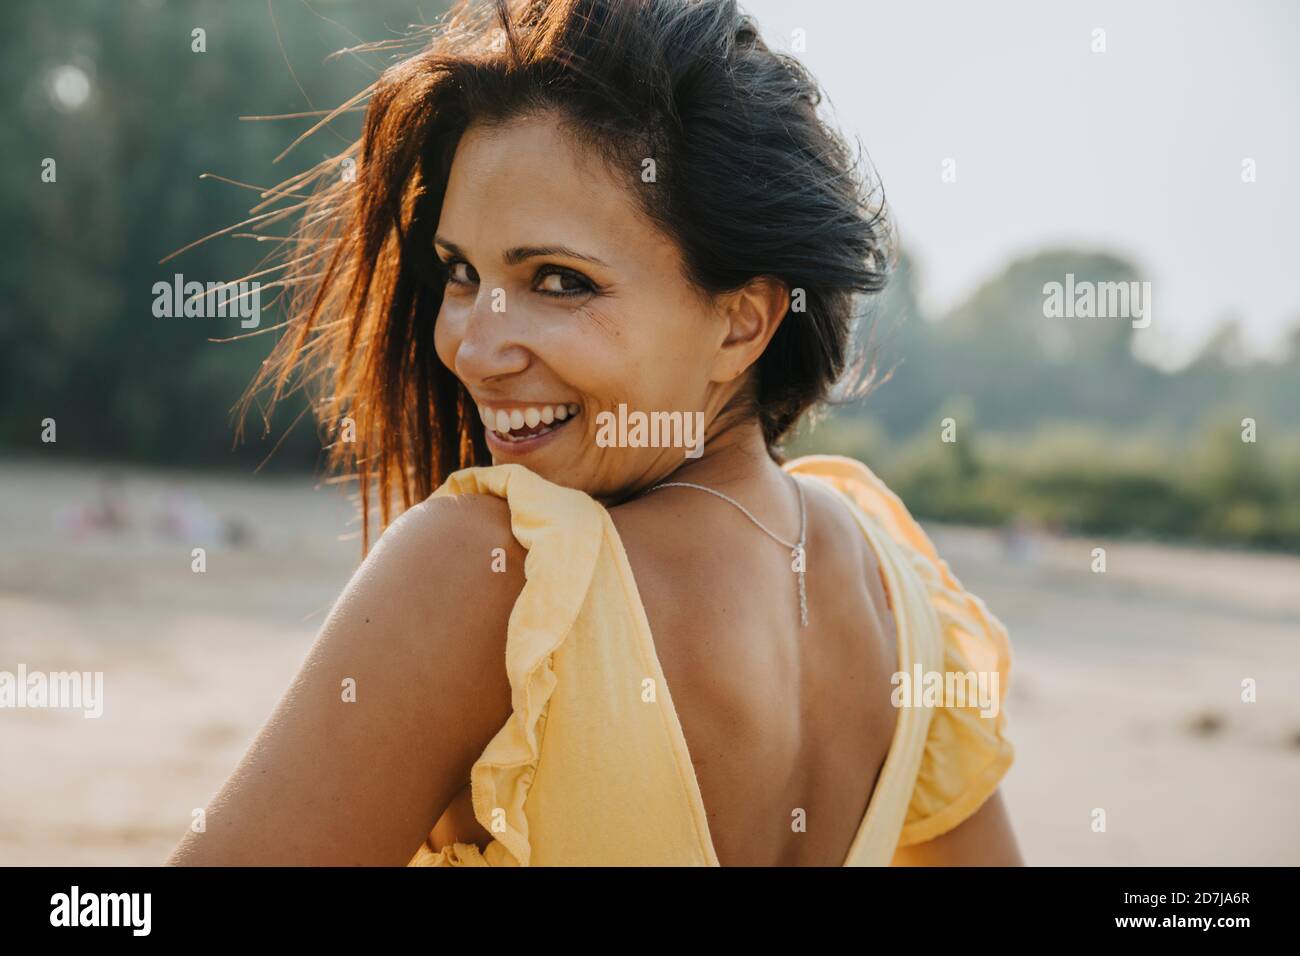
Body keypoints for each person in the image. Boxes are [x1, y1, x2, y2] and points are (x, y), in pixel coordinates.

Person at [167, 0, 1020, 866]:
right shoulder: (895, 590)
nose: (473, 346)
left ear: (741, 323)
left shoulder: (498, 576)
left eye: (559, 282)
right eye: (462, 272)